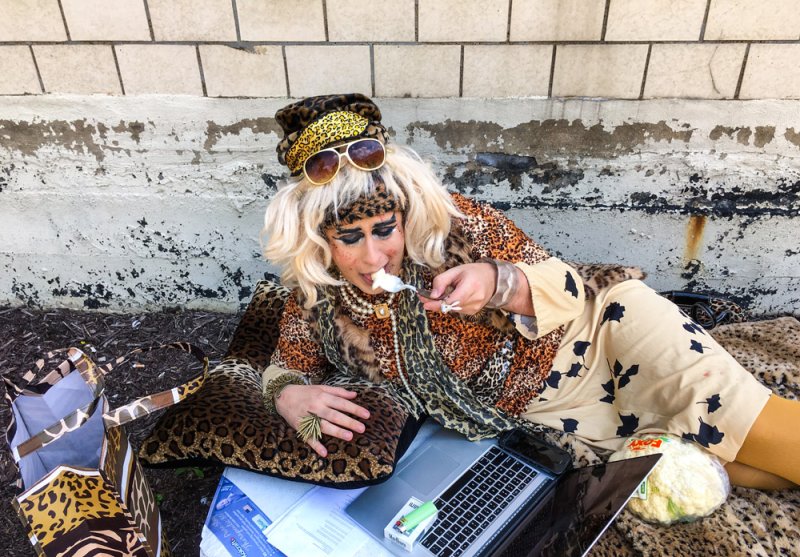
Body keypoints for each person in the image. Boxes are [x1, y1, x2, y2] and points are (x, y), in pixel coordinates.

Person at [260, 93, 799, 490]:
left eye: (385, 230)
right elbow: (283, 366)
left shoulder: (454, 223)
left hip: (605, 334)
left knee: (744, 423)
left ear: (404, 214)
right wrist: (290, 395)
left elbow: (566, 288)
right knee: (725, 472)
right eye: (349, 239)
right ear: (317, 241)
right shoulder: (317, 299)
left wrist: (501, 283)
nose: (376, 256)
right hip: (549, 415)